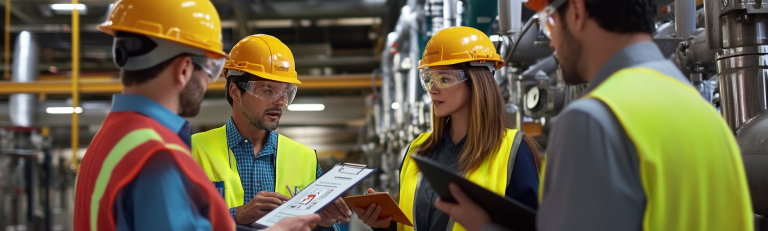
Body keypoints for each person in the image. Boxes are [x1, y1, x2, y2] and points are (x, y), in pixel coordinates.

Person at [434, 0, 753, 231]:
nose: (552, 41)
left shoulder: (595, 120)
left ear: (577, 10)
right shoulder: (706, 116)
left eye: (548, 23)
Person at [73, 1, 323, 230]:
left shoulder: (106, 141)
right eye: (210, 69)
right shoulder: (158, 154)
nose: (206, 82)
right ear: (183, 70)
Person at [353, 26, 542, 231]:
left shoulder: (514, 152)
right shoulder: (417, 151)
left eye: (444, 79)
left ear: (477, 81)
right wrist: (384, 225)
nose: (433, 90)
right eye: (429, 80)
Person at [191, 34, 352, 230]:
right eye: (268, 90)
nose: (280, 101)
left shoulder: (305, 159)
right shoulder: (193, 150)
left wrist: (324, 223)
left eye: (285, 92)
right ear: (234, 91)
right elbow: (173, 221)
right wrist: (236, 215)